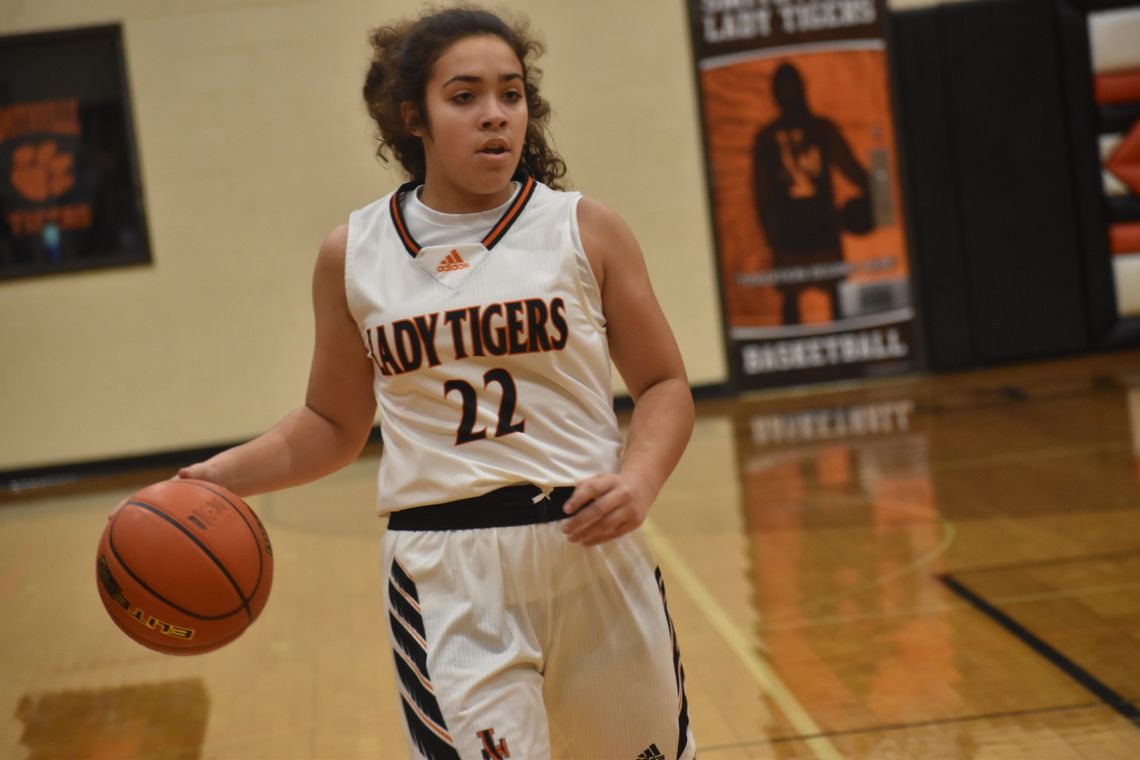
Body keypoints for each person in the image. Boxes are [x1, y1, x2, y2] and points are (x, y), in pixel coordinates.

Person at [179, 6, 696, 758]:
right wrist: (212, 481)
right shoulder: (353, 253)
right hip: (446, 571)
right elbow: (332, 424)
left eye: (511, 95)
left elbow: (664, 384)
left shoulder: (584, 230)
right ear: (411, 116)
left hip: (590, 545)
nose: (495, 116)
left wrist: (640, 480)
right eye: (465, 97)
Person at [752, 61, 871, 325]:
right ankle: (789, 363)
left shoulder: (821, 130)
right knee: (792, 302)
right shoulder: (767, 139)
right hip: (789, 235)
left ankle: (846, 357)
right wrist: (770, 234)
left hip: (822, 230)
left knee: (836, 300)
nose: (788, 96)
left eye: (791, 89)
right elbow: (761, 193)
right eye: (783, 90)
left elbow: (852, 170)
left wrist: (875, 198)